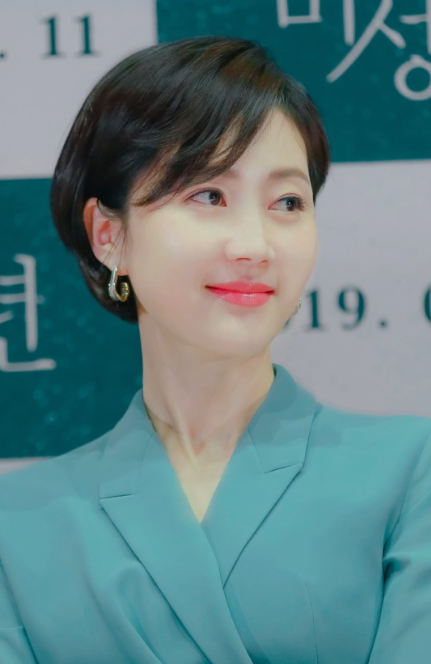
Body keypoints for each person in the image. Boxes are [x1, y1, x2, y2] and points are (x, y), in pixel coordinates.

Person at [0, 35, 430, 664]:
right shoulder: (20, 523)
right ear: (110, 235)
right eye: (209, 196)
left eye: (288, 202)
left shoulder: (412, 471)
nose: (254, 245)